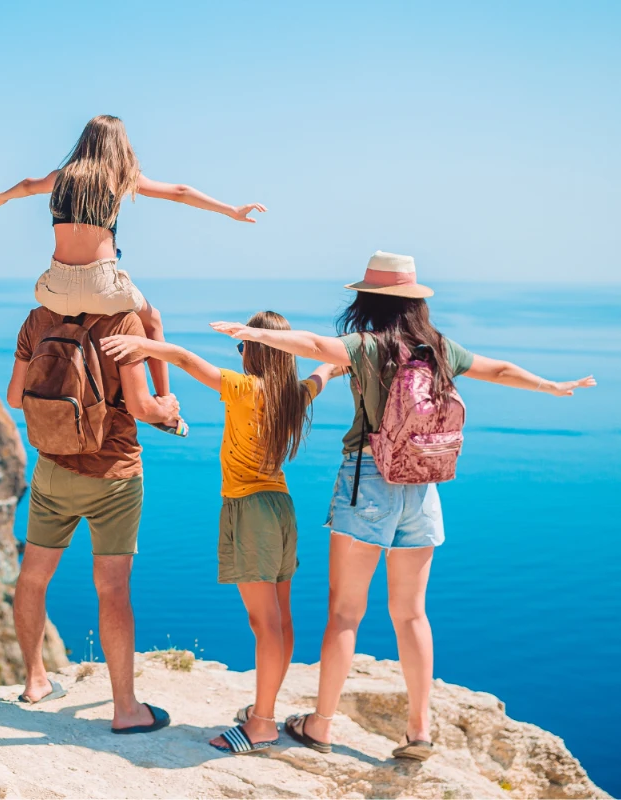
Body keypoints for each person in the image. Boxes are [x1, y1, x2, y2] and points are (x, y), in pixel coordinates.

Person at [211, 251, 596, 761]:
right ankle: (419, 732)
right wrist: (550, 385)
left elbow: (314, 345)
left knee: (345, 613)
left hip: (368, 480)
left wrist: (257, 336)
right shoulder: (438, 348)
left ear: (368, 300)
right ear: (415, 301)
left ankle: (320, 725)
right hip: (424, 484)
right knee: (412, 614)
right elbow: (498, 369)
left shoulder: (368, 345)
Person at [101, 312, 340, 755]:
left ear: (256, 349)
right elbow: (320, 375)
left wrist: (144, 347)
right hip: (281, 508)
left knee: (263, 622)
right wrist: (333, 365)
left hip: (249, 510)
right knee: (282, 620)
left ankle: (262, 724)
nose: (240, 354)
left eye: (243, 346)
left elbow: (190, 362)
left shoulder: (247, 389)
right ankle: (263, 709)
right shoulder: (294, 395)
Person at [0, 113, 266, 437]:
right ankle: (165, 405)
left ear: (84, 143)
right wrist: (231, 210)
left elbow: (30, 186)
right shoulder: (118, 177)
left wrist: (3, 195)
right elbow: (179, 190)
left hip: (55, 286)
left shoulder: (61, 177)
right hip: (101, 285)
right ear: (119, 146)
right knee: (153, 319)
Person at [6, 303, 180, 733]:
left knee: (33, 576)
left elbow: (14, 397)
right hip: (113, 475)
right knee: (113, 588)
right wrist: (168, 408)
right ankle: (125, 709)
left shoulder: (38, 319)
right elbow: (141, 406)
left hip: (53, 469)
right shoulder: (122, 323)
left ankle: (35, 681)